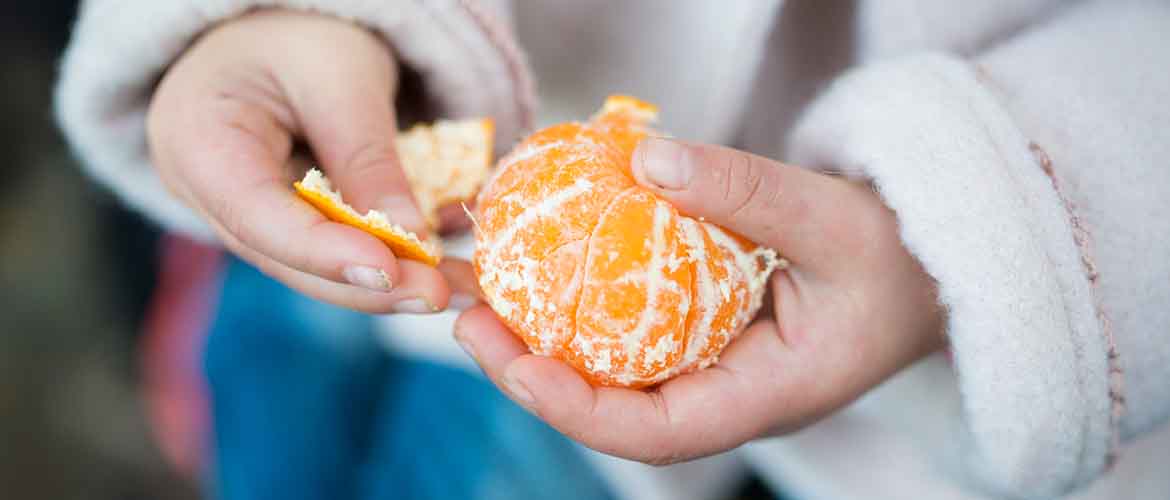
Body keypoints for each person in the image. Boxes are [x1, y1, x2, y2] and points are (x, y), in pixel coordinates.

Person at [56, 1, 1170, 499]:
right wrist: (263, 13)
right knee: (268, 428)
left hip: (821, 371)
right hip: (388, 126)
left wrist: (977, 235)